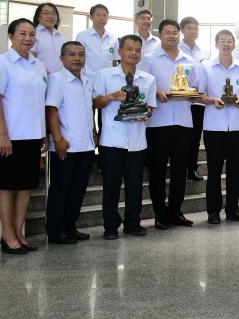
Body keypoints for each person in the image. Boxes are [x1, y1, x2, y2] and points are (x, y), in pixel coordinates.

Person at [0, 19, 49, 254]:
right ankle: (7, 234)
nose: (28, 38)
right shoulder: (0, 63)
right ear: (11, 36)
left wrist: (42, 133)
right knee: (7, 186)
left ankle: (19, 232)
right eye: (22, 33)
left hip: (31, 137)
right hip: (8, 136)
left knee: (25, 187)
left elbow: (39, 103)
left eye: (32, 34)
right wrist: (3, 134)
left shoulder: (38, 65)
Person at [93, 35, 156, 240]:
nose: (133, 53)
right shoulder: (104, 75)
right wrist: (112, 96)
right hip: (111, 140)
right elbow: (95, 103)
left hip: (137, 141)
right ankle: (110, 225)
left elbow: (150, 108)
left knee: (135, 185)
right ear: (119, 52)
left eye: (137, 50)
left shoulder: (148, 79)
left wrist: (144, 114)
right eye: (129, 49)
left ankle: (132, 222)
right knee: (111, 186)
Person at [142, 19, 198, 229]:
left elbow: (195, 87)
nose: (172, 36)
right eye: (168, 33)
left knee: (179, 170)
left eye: (175, 32)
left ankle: (175, 211)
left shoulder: (189, 60)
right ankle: (160, 214)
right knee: (157, 171)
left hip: (183, 121)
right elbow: (141, 87)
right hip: (158, 123)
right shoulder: (149, 59)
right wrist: (156, 93)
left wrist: (193, 94)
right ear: (160, 34)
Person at [197, 30, 239, 224]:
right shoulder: (206, 67)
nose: (226, 44)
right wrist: (212, 100)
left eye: (230, 41)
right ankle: (213, 211)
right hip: (214, 126)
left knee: (234, 170)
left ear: (234, 45)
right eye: (223, 41)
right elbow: (198, 95)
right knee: (214, 170)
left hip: (237, 126)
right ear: (216, 44)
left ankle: (232, 209)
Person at [44, 41, 96, 245]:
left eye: (81, 54)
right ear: (62, 58)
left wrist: (94, 131)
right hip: (65, 145)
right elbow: (51, 110)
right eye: (72, 54)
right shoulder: (57, 80)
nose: (77, 58)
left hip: (86, 144)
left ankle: (70, 226)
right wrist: (57, 139)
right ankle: (56, 230)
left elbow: (89, 109)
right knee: (60, 189)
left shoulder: (86, 80)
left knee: (78, 189)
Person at [179, 16, 208, 182]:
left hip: (198, 101)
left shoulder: (203, 51)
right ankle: (180, 168)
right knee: (182, 137)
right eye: (189, 28)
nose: (193, 31)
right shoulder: (177, 48)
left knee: (196, 137)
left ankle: (192, 168)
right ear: (182, 30)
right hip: (180, 101)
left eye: (195, 28)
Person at [75, 4, 119, 80]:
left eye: (104, 15)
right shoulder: (82, 36)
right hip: (89, 79)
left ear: (108, 18)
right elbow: (77, 60)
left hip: (109, 79)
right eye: (98, 15)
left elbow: (114, 61)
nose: (101, 18)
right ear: (91, 17)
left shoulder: (113, 38)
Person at [31, 2, 67, 74]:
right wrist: (46, 74)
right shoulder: (33, 34)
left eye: (54, 14)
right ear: (37, 16)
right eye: (46, 13)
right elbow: (30, 58)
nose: (50, 16)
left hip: (62, 79)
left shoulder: (63, 37)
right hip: (40, 77)